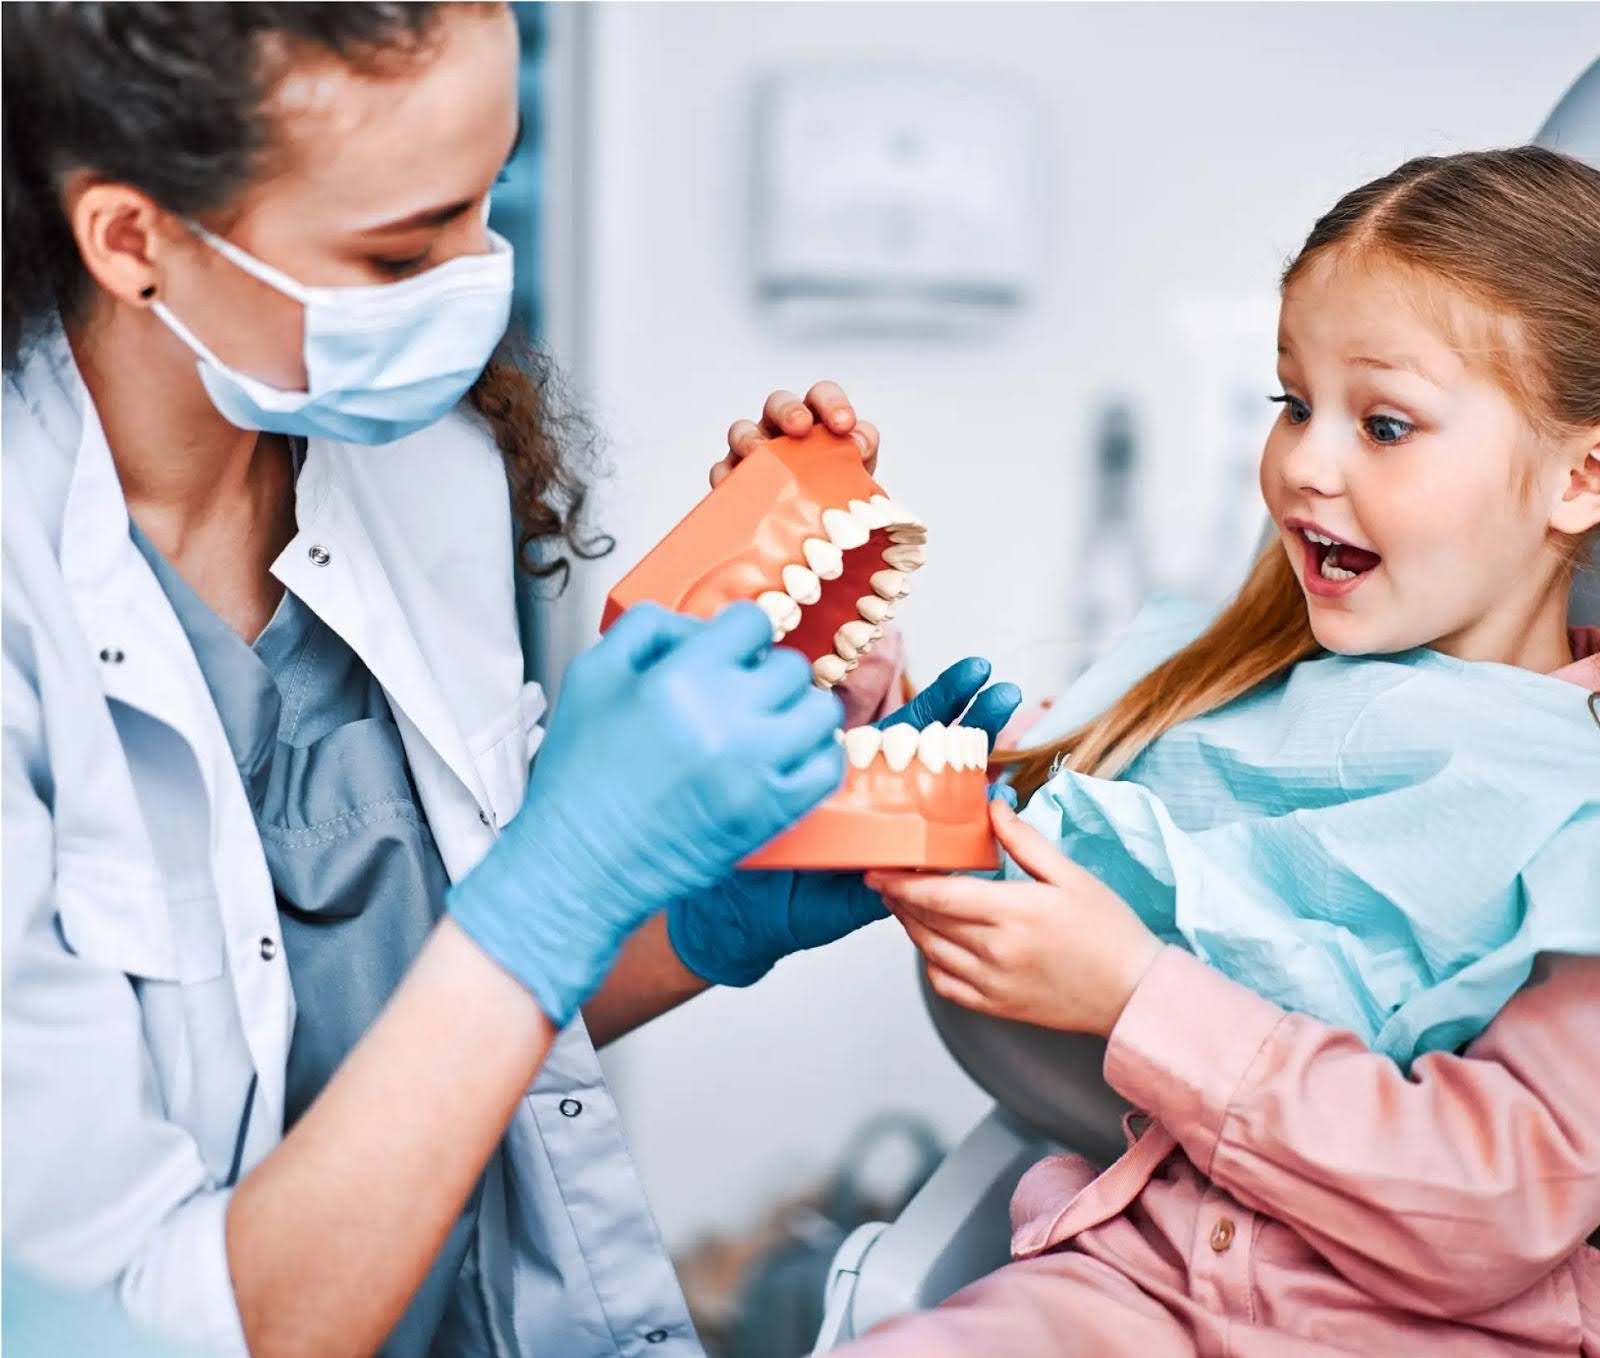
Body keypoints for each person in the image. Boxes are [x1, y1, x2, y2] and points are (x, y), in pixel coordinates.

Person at [0, 7, 1019, 1357]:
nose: (478, 277)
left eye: (489, 196)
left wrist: (693, 906)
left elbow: (437, 1011)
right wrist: (567, 879)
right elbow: (142, 1330)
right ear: (132, 238)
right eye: (404, 250)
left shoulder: (422, 469)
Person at [849, 146, 1600, 1353]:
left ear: (1581, 475)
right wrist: (864, 720)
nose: (1304, 462)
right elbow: (1008, 863)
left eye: (1386, 422)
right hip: (1129, 1285)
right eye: (1292, 403)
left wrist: (1142, 998)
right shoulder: (1232, 691)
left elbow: (1501, 1199)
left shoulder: (1579, 803)